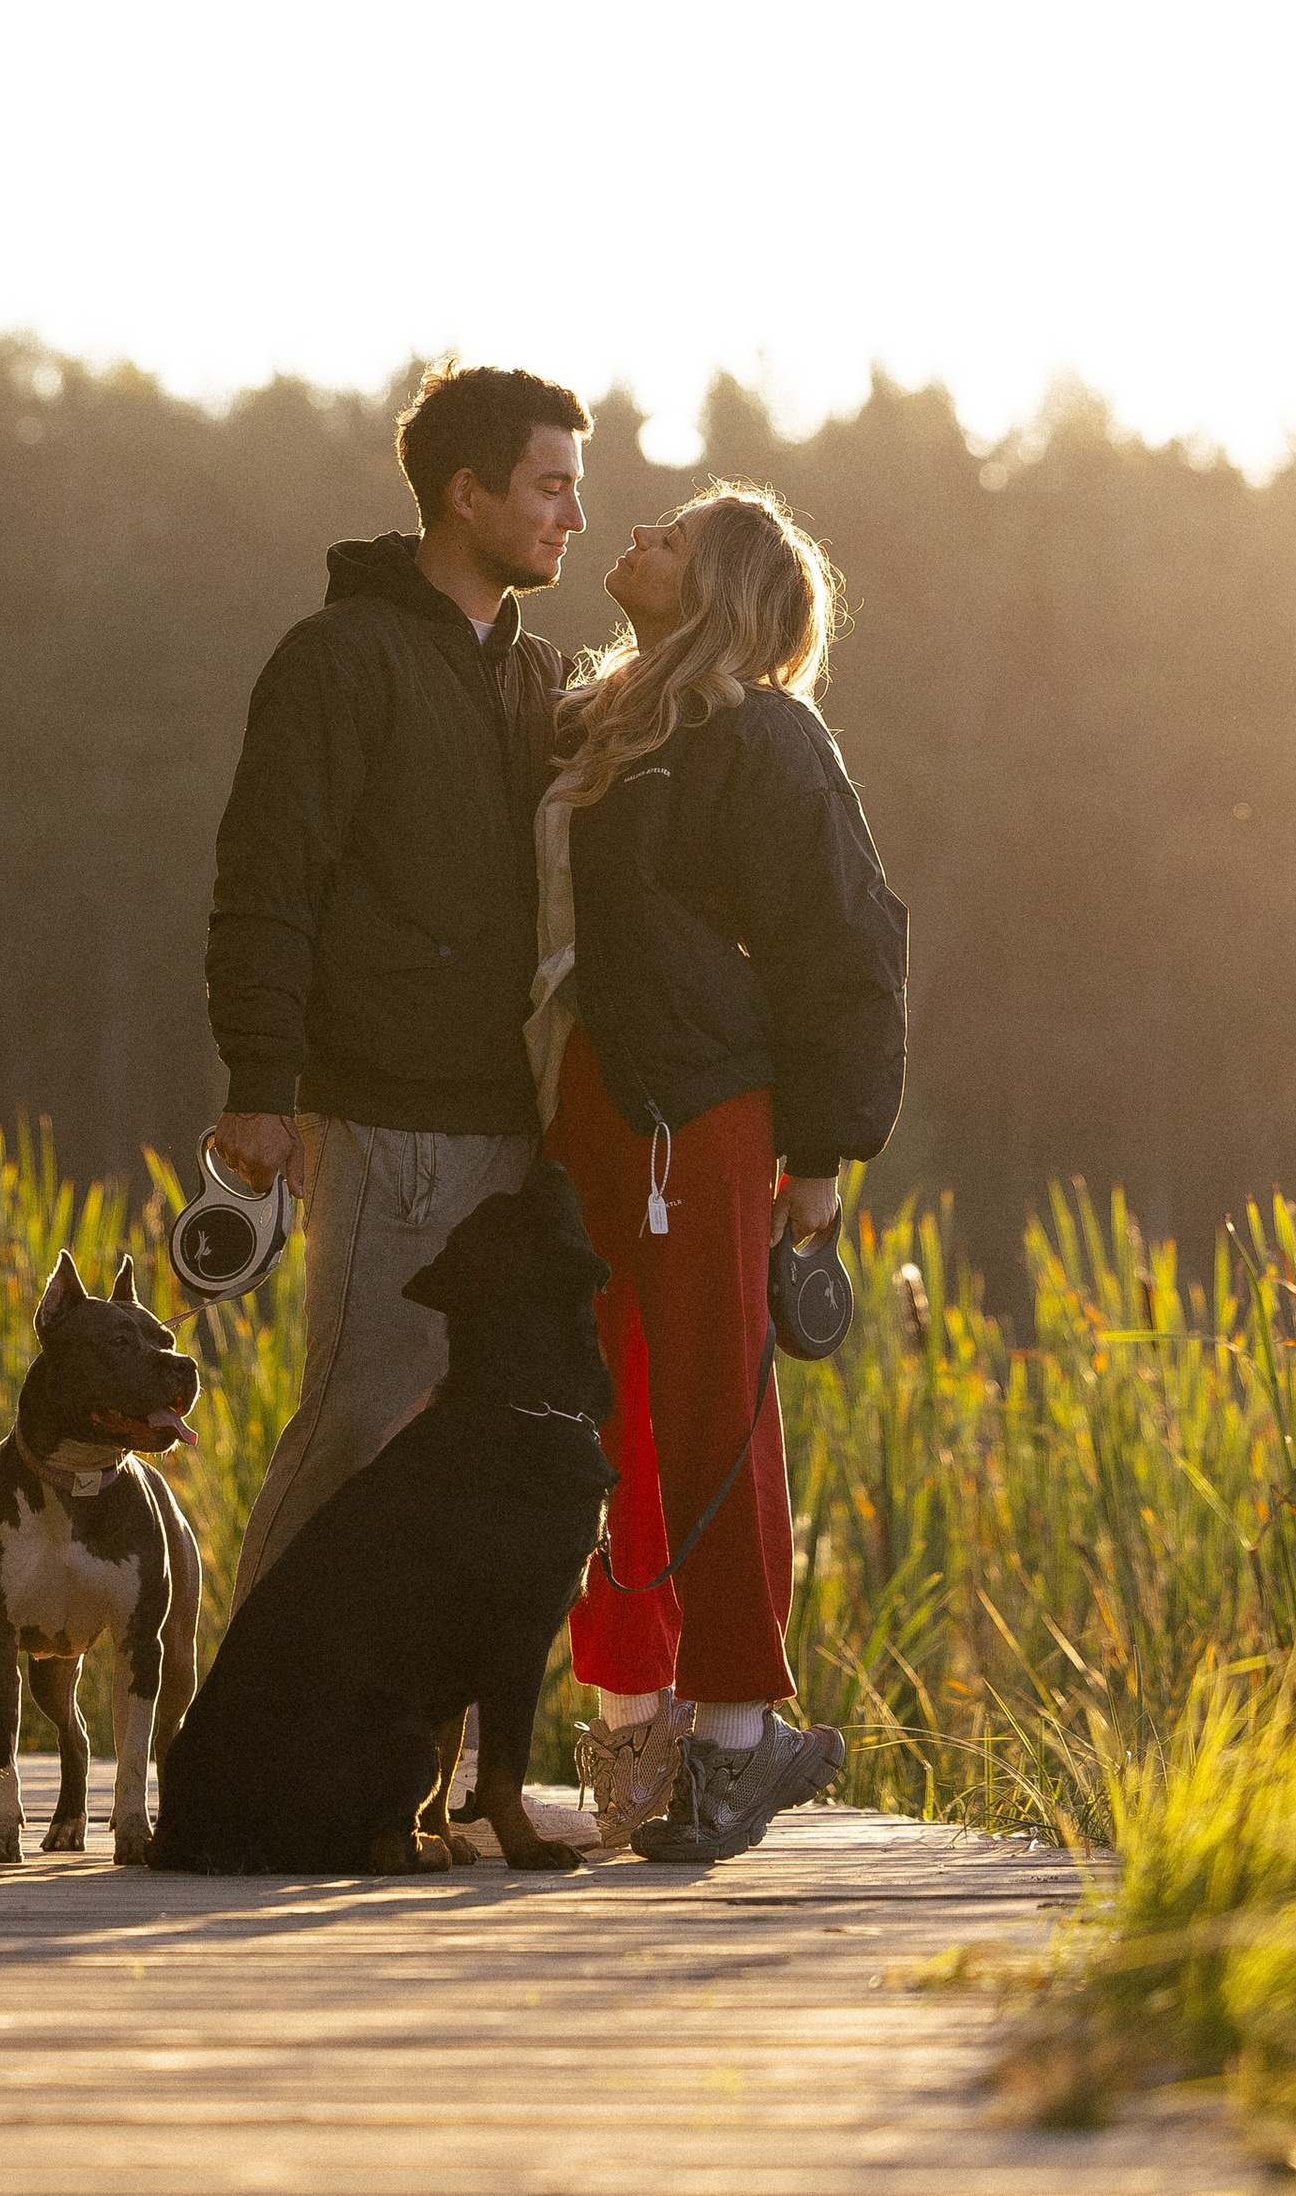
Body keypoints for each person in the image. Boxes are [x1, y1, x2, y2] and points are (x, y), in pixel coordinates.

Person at [531, 485, 907, 1866]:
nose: (637, 532)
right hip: (583, 1111)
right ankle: (633, 1739)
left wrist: (821, 1156)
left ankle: (738, 1733)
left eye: (674, 536)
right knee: (594, 1412)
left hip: (703, 1115)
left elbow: (847, 946)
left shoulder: (766, 735)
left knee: (709, 1402)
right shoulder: (601, 721)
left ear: (724, 591)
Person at [204, 361, 591, 1607]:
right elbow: (268, 882)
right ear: (465, 493)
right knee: (350, 1436)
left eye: (577, 492)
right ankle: (237, 1774)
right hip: (386, 1119)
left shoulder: (549, 686)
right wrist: (260, 1085)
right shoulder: (336, 660)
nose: (570, 517)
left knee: (483, 1465)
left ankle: (418, 1788)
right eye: (547, 487)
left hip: (521, 1134)